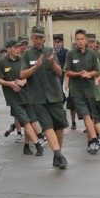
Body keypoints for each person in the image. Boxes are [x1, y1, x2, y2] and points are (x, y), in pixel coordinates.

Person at [20, 25, 68, 168]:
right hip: (38, 97)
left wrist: (52, 62)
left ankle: (57, 154)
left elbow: (59, 72)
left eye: (40, 38)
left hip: (55, 95)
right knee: (47, 126)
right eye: (36, 37)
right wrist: (34, 67)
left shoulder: (50, 52)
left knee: (59, 127)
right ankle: (59, 155)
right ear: (32, 38)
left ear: (44, 39)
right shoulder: (27, 54)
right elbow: (22, 74)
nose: (38, 40)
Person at [64, 29, 100, 154]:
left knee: (91, 117)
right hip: (77, 91)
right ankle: (95, 139)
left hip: (90, 90)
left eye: (82, 39)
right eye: (78, 39)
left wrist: (88, 74)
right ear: (75, 40)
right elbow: (67, 71)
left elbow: (96, 71)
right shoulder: (71, 54)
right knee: (85, 115)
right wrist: (79, 74)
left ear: (86, 40)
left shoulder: (92, 54)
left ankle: (90, 143)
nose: (80, 41)